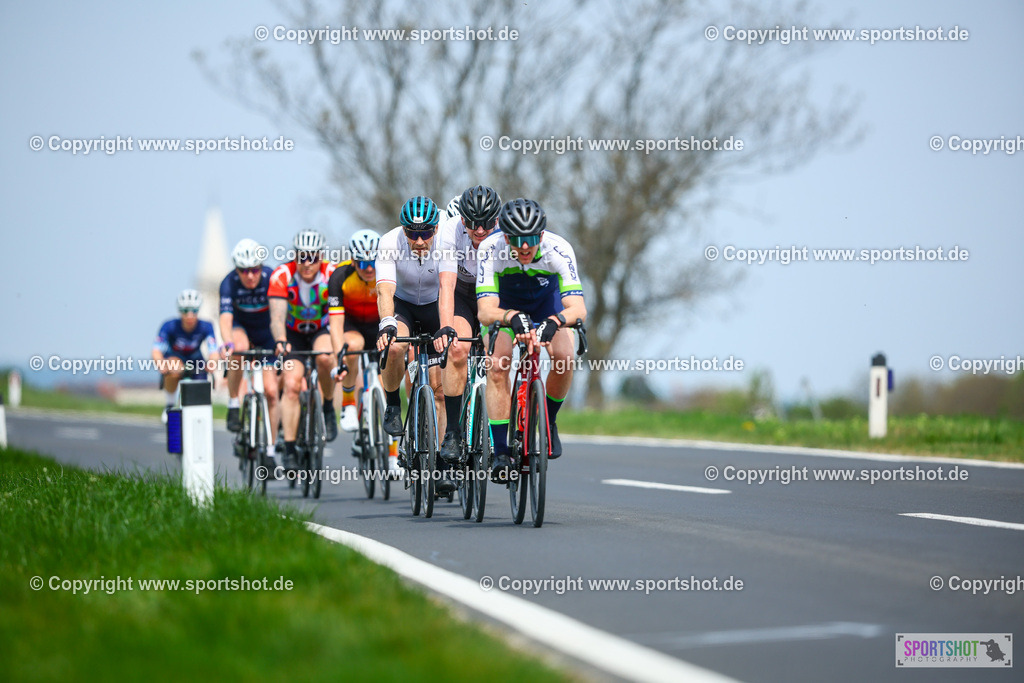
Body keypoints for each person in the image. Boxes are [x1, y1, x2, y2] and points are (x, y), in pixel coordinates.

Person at [476, 199, 587, 479]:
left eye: (531, 239)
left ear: (542, 235)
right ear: (505, 237)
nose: (525, 247)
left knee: (564, 358)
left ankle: (548, 420)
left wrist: (556, 321)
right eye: (517, 239)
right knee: (498, 365)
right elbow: (485, 311)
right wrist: (511, 317)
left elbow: (578, 308)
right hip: (507, 310)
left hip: (547, 307)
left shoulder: (559, 249)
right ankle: (501, 451)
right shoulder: (490, 249)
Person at [374, 196, 453, 490]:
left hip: (435, 306)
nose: (419, 241)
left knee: (440, 391)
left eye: (426, 233)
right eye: (412, 233)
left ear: (436, 228)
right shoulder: (389, 242)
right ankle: (393, 404)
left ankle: (442, 463)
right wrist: (387, 323)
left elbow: (447, 286)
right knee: (395, 346)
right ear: (403, 230)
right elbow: (384, 290)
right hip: (403, 305)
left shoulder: (446, 242)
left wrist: (446, 324)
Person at [434, 185, 502, 463]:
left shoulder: (504, 234)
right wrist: (445, 326)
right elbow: (446, 285)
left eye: (487, 223)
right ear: (462, 220)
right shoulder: (450, 231)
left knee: (499, 356)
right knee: (457, 348)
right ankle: (452, 431)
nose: (480, 230)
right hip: (462, 294)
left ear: (496, 219)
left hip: (493, 294)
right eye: (473, 223)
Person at [269, 230, 339, 470]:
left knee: (326, 358)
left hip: (321, 330)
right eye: (302, 257)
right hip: (293, 334)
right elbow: (277, 317)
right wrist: (280, 340)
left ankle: (327, 406)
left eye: (313, 257)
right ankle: (289, 448)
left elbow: (339, 314)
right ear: (295, 256)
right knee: (291, 385)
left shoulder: (332, 273)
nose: (307, 263)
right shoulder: (282, 275)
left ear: (321, 256)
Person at [219, 239, 280, 458]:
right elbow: (225, 319)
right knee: (239, 348)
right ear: (237, 269)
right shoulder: (229, 283)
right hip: (241, 328)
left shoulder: (272, 278)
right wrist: (227, 343)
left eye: (255, 269)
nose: (250, 276)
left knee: (271, 392)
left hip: (267, 332)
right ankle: (234, 403)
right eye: (244, 271)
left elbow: (280, 314)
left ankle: (271, 451)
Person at [152, 289, 219, 423]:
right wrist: (160, 363)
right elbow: (156, 350)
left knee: (201, 383)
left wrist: (212, 362)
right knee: (173, 367)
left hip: (195, 358)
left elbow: (213, 350)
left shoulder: (206, 326)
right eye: (185, 311)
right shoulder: (169, 325)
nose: (189, 315)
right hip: (175, 356)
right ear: (179, 311)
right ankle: (170, 404)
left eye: (194, 311)